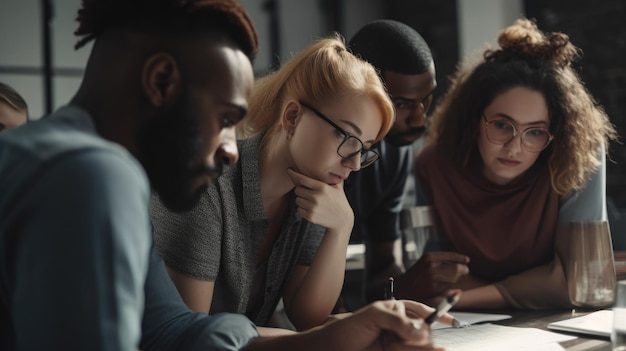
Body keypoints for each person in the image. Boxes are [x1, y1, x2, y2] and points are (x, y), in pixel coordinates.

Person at [0, 0, 450, 350]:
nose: (232, 151)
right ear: (160, 81)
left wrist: (340, 335)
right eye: (223, 119)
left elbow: (173, 331)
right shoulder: (90, 173)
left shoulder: (109, 176)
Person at [151, 34, 396, 332]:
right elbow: (191, 335)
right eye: (347, 139)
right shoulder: (206, 187)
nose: (355, 163)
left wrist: (341, 228)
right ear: (292, 117)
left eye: (364, 149)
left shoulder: (314, 191)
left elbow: (307, 318)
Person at [410, 18, 618, 309]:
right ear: (473, 120)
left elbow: (584, 283)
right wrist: (538, 288)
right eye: (502, 125)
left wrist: (462, 299)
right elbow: (440, 276)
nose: (514, 147)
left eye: (535, 132)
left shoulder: (579, 157)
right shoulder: (432, 166)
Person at [343, 19, 439, 306]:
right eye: (402, 105)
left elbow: (382, 272)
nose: (420, 119)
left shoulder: (396, 152)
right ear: (357, 91)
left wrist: (413, 283)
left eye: (426, 100)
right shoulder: (315, 157)